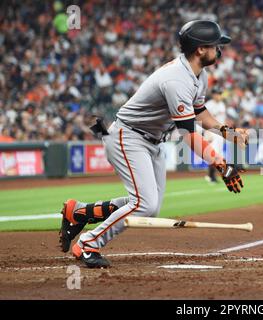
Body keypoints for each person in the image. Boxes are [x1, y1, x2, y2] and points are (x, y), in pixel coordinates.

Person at [58, 20, 249, 268]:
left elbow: (200, 114)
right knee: (144, 204)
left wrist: (229, 133)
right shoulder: (176, 80)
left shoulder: (197, 76)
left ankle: (80, 212)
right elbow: (190, 135)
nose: (219, 50)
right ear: (201, 49)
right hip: (129, 137)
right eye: (215, 45)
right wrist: (222, 165)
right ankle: (88, 244)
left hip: (152, 141)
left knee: (149, 206)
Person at [203, 87, 227, 183]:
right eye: (218, 93)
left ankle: (212, 176)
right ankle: (211, 176)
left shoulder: (222, 105)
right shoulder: (209, 105)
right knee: (213, 154)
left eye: (220, 94)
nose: (219, 96)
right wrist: (207, 132)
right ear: (213, 95)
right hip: (212, 132)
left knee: (218, 155)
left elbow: (223, 120)